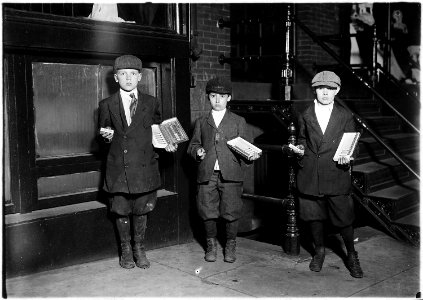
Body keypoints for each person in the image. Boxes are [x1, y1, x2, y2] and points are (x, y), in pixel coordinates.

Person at [98, 54, 177, 269]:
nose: (128, 78)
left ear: (140, 77)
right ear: (115, 78)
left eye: (133, 74)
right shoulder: (107, 104)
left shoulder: (151, 103)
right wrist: (104, 137)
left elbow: (158, 129)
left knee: (142, 208)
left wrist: (168, 142)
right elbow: (103, 135)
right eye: (123, 74)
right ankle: (125, 249)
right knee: (121, 209)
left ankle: (139, 248)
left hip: (144, 166)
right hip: (118, 168)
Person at [292, 71, 363, 278]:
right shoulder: (305, 113)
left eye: (330, 89)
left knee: (344, 218)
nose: (325, 92)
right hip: (310, 174)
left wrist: (348, 156)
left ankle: (351, 254)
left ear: (337, 91)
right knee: (314, 216)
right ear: (315, 90)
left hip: (335, 173)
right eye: (321, 88)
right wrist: (300, 149)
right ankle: (319, 251)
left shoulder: (344, 115)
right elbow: (303, 139)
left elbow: (353, 143)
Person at [187, 77, 260, 263]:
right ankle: (211, 245)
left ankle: (230, 245)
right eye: (213, 96)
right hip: (207, 174)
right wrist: (198, 151)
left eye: (222, 96)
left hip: (231, 175)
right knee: (207, 210)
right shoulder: (201, 121)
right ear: (208, 98)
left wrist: (250, 156)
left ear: (229, 98)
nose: (217, 100)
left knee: (231, 211)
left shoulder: (238, 121)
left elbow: (247, 148)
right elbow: (192, 145)